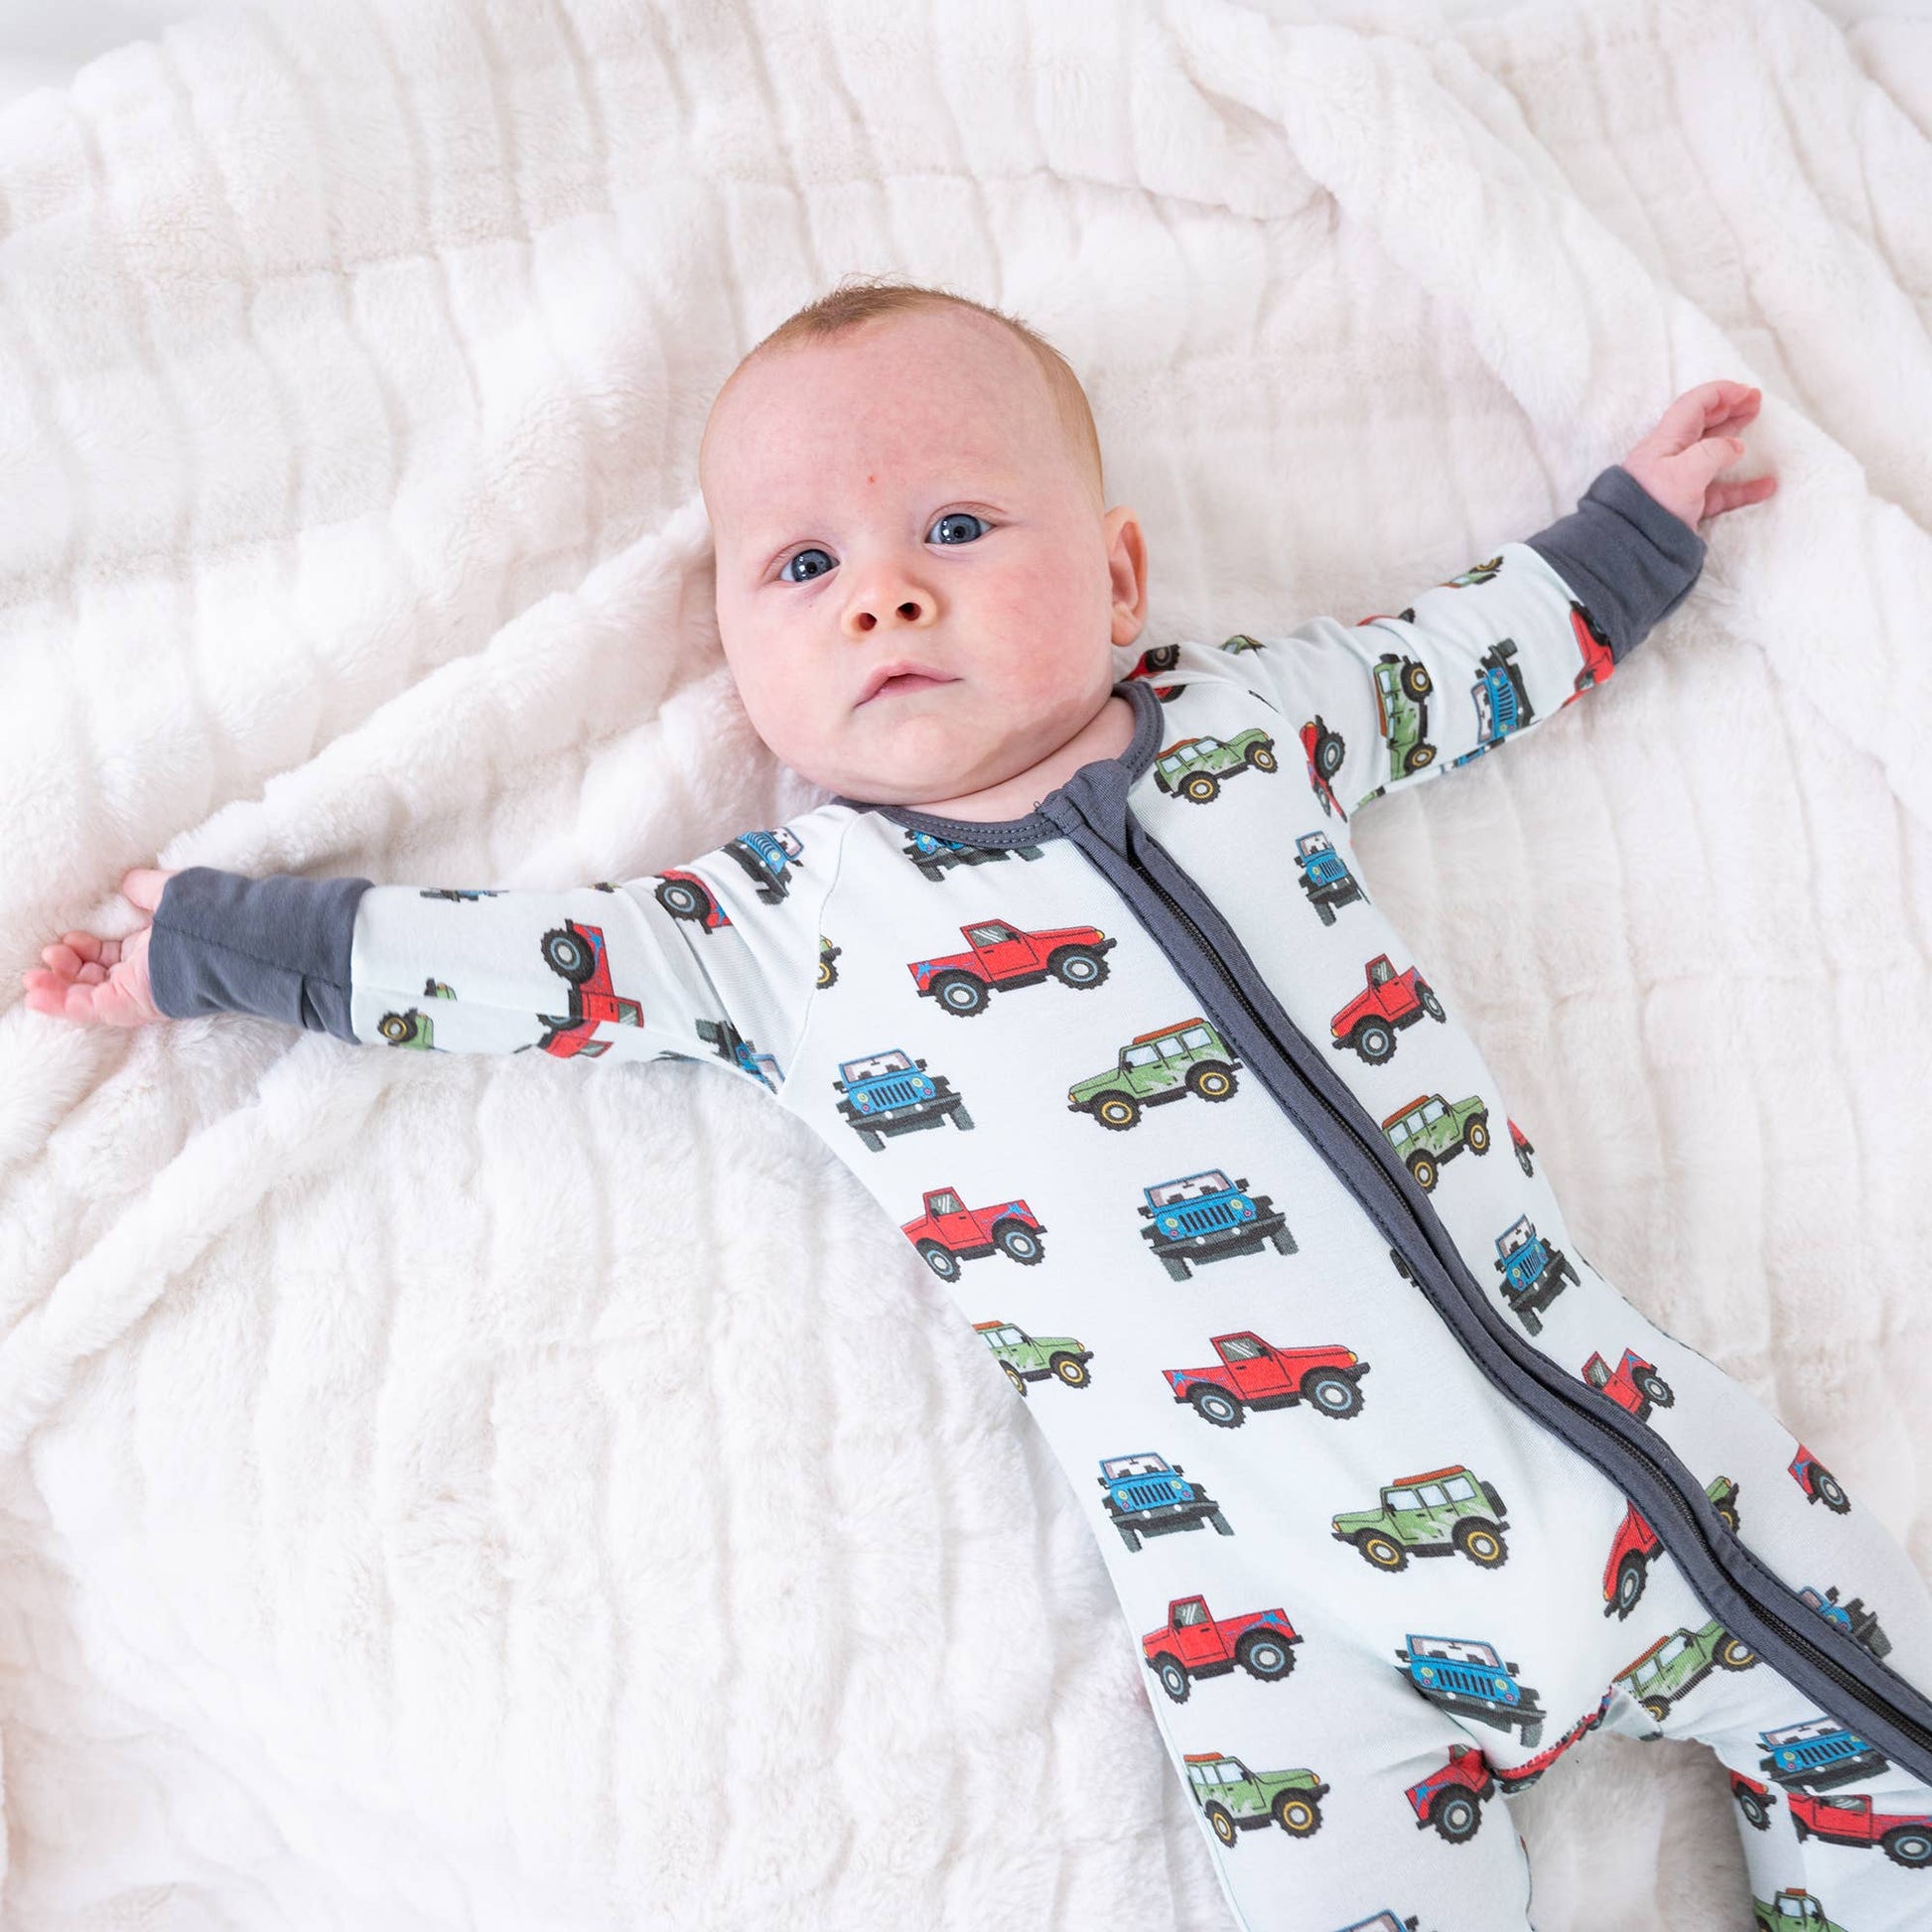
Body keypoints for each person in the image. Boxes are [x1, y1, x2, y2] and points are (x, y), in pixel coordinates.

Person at [27, 280, 1932, 1932]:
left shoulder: (1248, 725)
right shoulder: (778, 933)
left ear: (1116, 578)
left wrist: (1629, 538)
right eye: (804, 568)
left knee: (1883, 1732)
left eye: (953, 523)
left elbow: (1463, 663)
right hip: (1271, 1625)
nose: (887, 592)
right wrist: (214, 945)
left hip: (1621, 1465)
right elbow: (504, 964)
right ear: (739, 659)